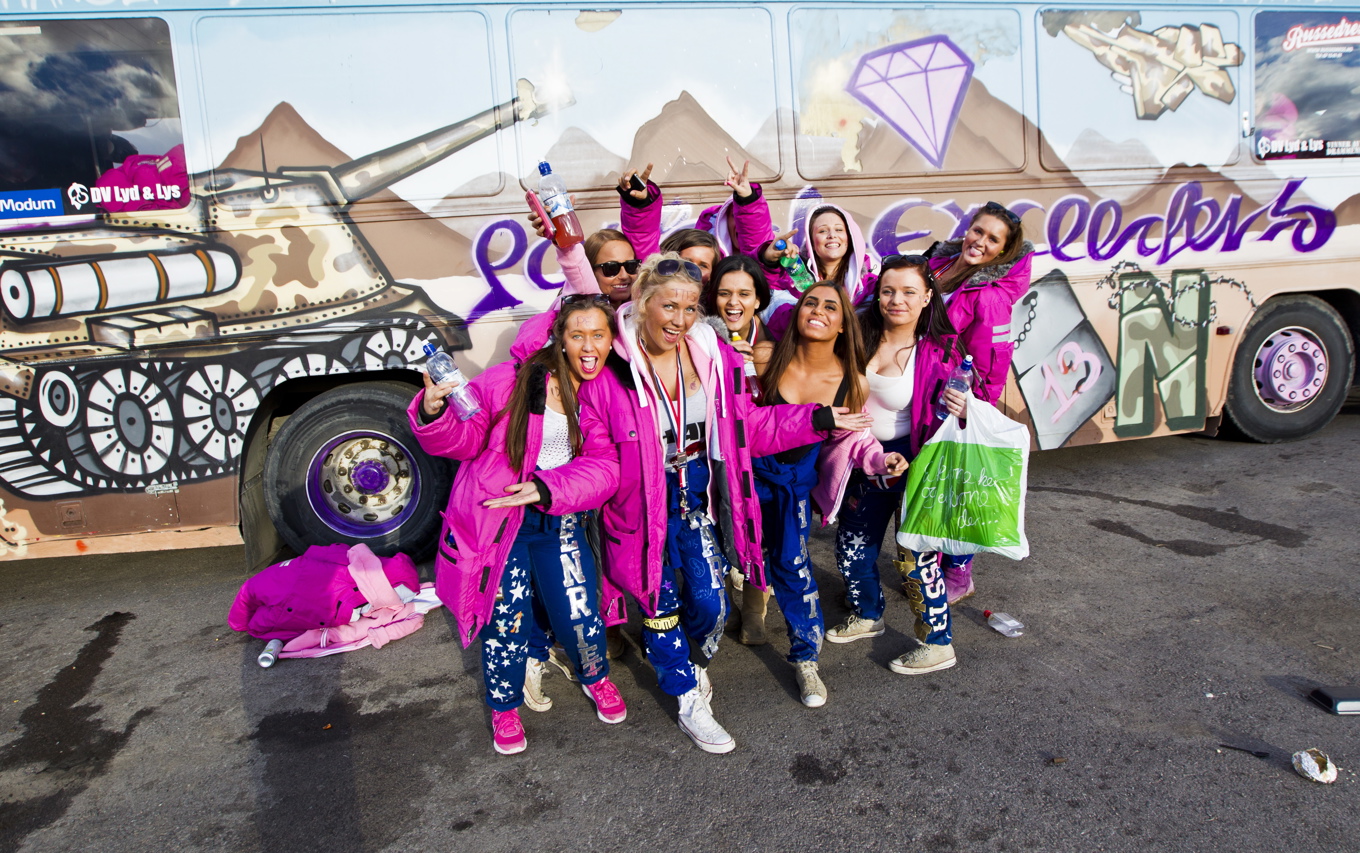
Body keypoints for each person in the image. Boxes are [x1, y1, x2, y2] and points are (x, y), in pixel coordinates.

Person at [578, 253, 872, 752]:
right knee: (658, 602)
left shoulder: (710, 355)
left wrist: (816, 420)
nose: (680, 319)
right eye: (670, 306)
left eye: (692, 307)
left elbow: (745, 429)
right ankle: (687, 695)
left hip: (694, 492)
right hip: (639, 501)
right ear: (642, 302)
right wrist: (557, 490)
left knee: (712, 607)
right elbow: (598, 453)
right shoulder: (613, 370)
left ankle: (685, 662)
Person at [410, 298, 626, 755]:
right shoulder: (508, 381)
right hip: (499, 523)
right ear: (559, 339)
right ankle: (503, 705)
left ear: (611, 339)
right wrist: (433, 410)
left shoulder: (598, 390)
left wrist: (547, 489)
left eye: (599, 336)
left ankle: (596, 677)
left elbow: (605, 467)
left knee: (579, 610)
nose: (589, 347)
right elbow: (464, 441)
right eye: (578, 336)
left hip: (560, 519)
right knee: (505, 620)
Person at [750, 283, 907, 706]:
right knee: (721, 571)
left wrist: (881, 463)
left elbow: (854, 441)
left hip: (793, 491)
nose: (818, 311)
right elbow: (741, 425)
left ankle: (806, 660)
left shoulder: (851, 381)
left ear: (842, 324)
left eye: (830, 306)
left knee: (795, 570)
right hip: (744, 486)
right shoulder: (765, 358)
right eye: (810, 303)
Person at [825, 255, 971, 674]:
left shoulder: (942, 349)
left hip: (917, 462)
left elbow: (956, 413)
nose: (897, 300)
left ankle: (938, 642)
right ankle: (868, 615)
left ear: (927, 296)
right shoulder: (857, 336)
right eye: (888, 290)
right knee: (852, 549)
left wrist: (965, 406)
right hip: (863, 457)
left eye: (909, 292)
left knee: (915, 557)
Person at [922, 201, 1033, 602]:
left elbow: (993, 361)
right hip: (924, 392)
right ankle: (932, 564)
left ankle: (959, 574)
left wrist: (975, 409)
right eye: (977, 231)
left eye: (992, 239)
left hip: (955, 400)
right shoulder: (939, 265)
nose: (980, 242)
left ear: (1004, 252)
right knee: (934, 483)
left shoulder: (991, 296)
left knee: (957, 485)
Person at [702, 254, 775, 642]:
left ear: (758, 299)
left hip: (765, 453)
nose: (734, 303)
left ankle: (754, 608)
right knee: (721, 527)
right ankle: (727, 602)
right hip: (721, 453)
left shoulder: (773, 334)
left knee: (760, 532)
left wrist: (761, 369)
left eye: (744, 294)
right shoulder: (702, 337)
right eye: (725, 293)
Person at [617, 157, 779, 282]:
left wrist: (748, 199)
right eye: (687, 261)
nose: (693, 270)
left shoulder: (723, 300)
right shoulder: (659, 290)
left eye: (703, 265)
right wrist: (639, 204)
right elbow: (644, 242)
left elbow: (758, 254)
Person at [761, 204, 879, 337]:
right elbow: (763, 293)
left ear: (851, 237)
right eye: (822, 231)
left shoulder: (872, 286)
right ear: (811, 242)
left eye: (839, 230)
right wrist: (768, 262)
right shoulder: (793, 281)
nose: (832, 235)